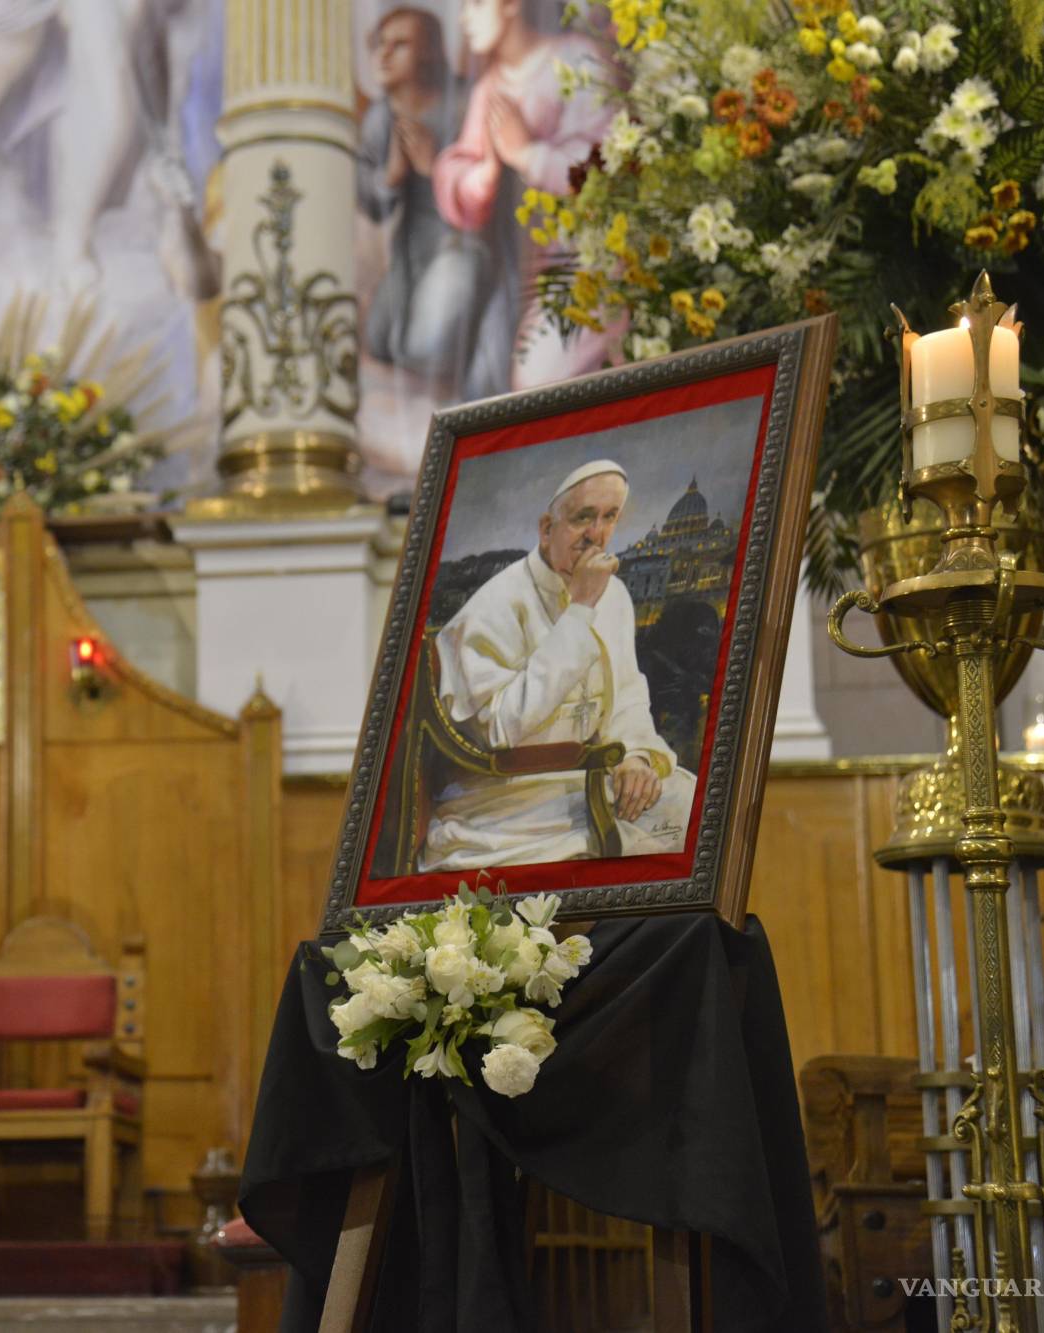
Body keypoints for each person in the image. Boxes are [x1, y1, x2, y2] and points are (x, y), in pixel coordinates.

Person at [421, 460, 696, 869]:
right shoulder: (495, 605)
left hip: (591, 777)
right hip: (505, 802)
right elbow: (500, 730)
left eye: (609, 517)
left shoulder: (615, 595)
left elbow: (627, 695)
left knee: (697, 807)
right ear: (547, 529)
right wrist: (580, 609)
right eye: (583, 517)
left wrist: (635, 757)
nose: (596, 534)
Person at [432, 0, 616, 397]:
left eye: (475, 4)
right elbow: (460, 171)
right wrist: (482, 176)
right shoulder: (490, 88)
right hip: (524, 268)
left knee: (538, 381)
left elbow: (605, 170)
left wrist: (527, 155)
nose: (464, 18)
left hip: (592, 261)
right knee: (488, 385)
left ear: (512, 4)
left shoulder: (576, 59)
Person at [356, 7, 490, 385]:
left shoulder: (465, 103)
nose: (383, 55)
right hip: (409, 254)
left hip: (461, 248)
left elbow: (492, 196)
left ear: (429, 51)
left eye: (399, 45)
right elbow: (371, 204)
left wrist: (435, 168)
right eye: (380, 44)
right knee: (381, 340)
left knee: (424, 349)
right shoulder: (381, 118)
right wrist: (390, 177)